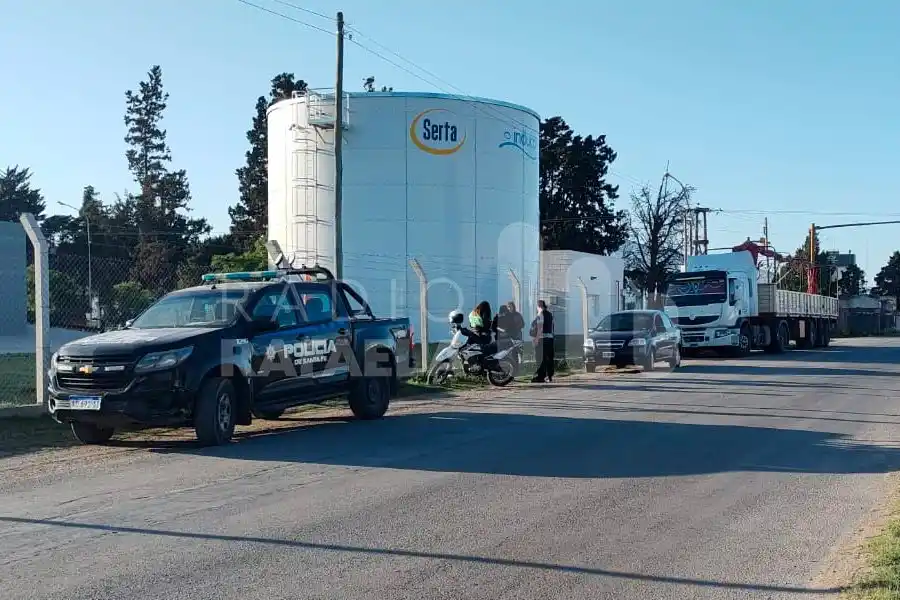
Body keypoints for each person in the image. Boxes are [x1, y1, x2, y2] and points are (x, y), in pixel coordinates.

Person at [530, 300, 555, 383]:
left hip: (542, 339)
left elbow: (540, 328)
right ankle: (549, 375)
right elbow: (552, 327)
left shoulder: (540, 314)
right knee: (549, 358)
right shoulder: (550, 314)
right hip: (550, 338)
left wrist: (536, 339)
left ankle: (540, 376)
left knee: (540, 358)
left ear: (539, 306)